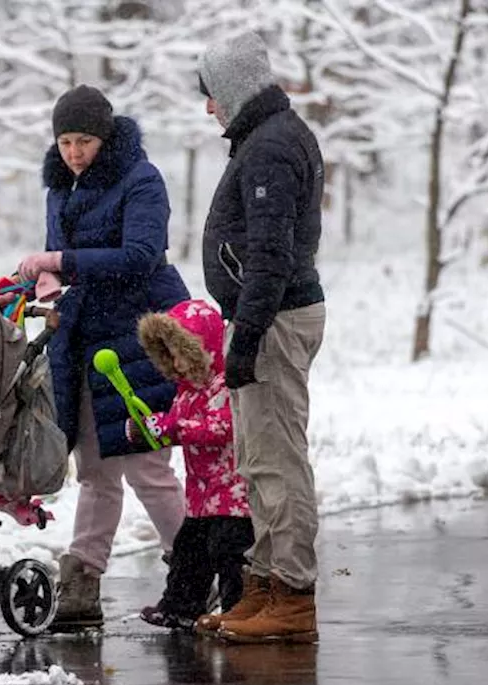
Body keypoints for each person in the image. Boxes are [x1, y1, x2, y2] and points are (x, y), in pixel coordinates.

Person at [14, 84, 190, 630]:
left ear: (105, 135)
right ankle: (83, 580)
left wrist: (61, 259)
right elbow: (66, 263)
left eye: (84, 140)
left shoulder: (141, 179)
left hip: (136, 336)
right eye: (65, 141)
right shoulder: (59, 187)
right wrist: (47, 277)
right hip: (81, 339)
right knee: (93, 469)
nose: (73, 152)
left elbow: (141, 255)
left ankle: (199, 569)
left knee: (146, 465)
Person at [193, 31, 327, 644]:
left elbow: (270, 253)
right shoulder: (265, 139)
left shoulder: (271, 147)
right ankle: (266, 585)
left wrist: (247, 335)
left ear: (235, 90)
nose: (209, 108)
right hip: (262, 317)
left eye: (213, 95)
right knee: (256, 461)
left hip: (271, 319)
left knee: (277, 463)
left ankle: (292, 596)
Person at [129, 299, 254, 630]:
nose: (178, 363)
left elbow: (224, 427)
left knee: (230, 555)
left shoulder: (225, 385)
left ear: (206, 348)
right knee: (189, 552)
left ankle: (236, 610)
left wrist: (175, 429)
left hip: (232, 495)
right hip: (201, 496)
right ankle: (181, 605)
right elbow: (175, 424)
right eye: (170, 355)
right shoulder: (186, 391)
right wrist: (151, 429)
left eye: (184, 353)